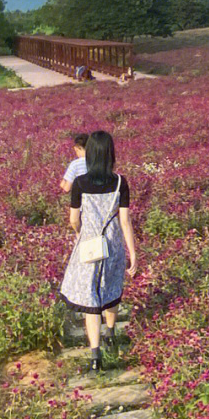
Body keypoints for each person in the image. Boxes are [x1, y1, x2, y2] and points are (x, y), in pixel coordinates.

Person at [59, 130, 138, 372]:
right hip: (113, 243)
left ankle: (95, 355)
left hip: (89, 244)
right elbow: (125, 221)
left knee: (89, 295)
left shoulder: (80, 183)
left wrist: (81, 233)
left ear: (90, 154)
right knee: (111, 286)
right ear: (110, 154)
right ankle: (111, 334)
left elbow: (73, 219)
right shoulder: (119, 182)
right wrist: (133, 253)